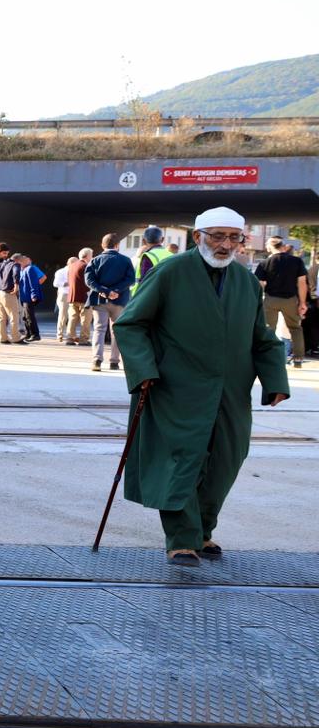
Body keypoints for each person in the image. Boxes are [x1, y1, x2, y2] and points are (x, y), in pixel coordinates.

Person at [113, 206, 291, 565]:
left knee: (226, 461)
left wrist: (275, 381)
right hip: (175, 388)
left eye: (233, 237)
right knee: (181, 461)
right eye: (217, 236)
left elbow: (262, 337)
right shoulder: (170, 271)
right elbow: (131, 324)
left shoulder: (244, 281)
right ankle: (181, 538)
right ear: (198, 237)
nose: (226, 245)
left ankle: (202, 531)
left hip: (231, 390)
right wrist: (144, 371)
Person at [254, 237, 308, 368]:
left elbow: (259, 285)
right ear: (283, 246)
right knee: (295, 328)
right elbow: (302, 283)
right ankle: (298, 359)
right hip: (290, 300)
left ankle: (268, 357)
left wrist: (257, 303)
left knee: (268, 329)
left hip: (271, 300)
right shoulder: (296, 261)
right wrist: (302, 303)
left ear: (269, 247)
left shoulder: (264, 263)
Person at [84, 233, 134, 372]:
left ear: (102, 245)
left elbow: (89, 280)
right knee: (116, 331)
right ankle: (114, 362)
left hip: (100, 300)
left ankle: (97, 360)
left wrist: (104, 290)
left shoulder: (94, 260)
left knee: (99, 330)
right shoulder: (125, 260)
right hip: (120, 300)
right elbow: (130, 279)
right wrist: (115, 291)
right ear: (117, 245)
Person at [0, 244, 23, 344]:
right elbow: (16, 273)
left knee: (1, 318)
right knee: (13, 316)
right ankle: (15, 337)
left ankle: (3, 338)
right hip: (8, 294)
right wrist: (16, 285)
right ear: (18, 260)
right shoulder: (15, 265)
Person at [66, 247, 94, 347]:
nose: (92, 257)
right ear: (87, 256)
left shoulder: (72, 266)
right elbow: (89, 282)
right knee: (86, 319)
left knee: (73, 318)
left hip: (72, 296)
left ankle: (70, 338)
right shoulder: (85, 266)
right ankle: (83, 339)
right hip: (84, 296)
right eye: (91, 255)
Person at [17, 254, 46, 342]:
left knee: (30, 316)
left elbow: (33, 283)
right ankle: (28, 333)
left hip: (28, 297)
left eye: (22, 261)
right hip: (23, 297)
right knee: (25, 317)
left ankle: (35, 334)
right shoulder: (22, 270)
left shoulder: (30, 269)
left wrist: (34, 294)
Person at [53, 257, 74, 341]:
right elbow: (55, 283)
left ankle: (70, 334)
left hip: (73, 295)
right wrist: (67, 283)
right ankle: (60, 334)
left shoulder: (75, 271)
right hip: (64, 294)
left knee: (72, 316)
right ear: (70, 263)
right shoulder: (61, 271)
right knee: (63, 315)